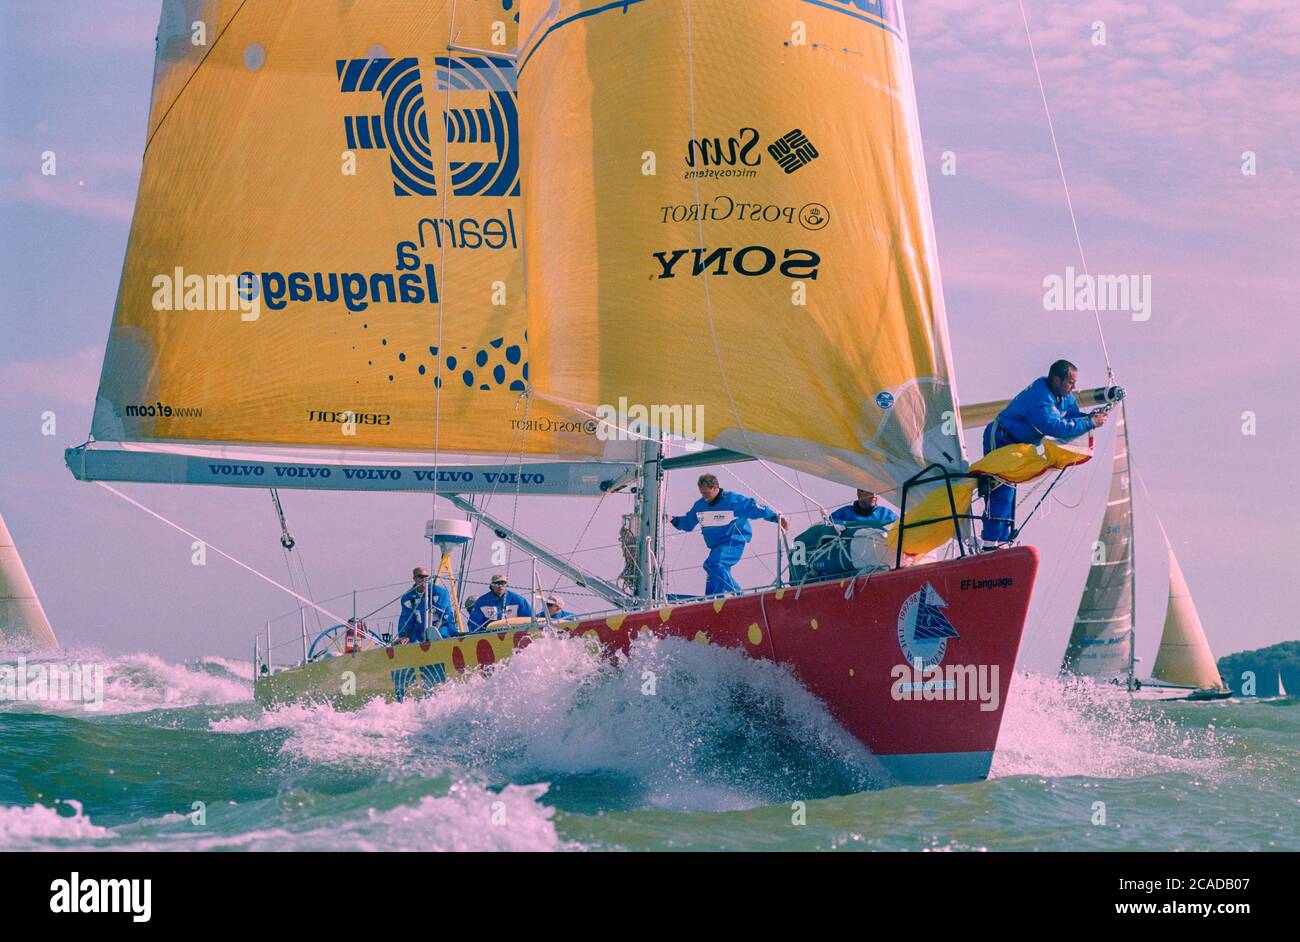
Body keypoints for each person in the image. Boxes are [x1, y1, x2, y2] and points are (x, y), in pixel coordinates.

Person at [981, 359, 1109, 545]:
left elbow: (1073, 417)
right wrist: (1090, 422)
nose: (1074, 387)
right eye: (1070, 382)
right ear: (1057, 380)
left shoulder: (1064, 396)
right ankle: (990, 543)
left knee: (1009, 490)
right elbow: (1055, 427)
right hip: (1001, 437)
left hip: (1018, 445)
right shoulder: (1040, 398)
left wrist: (1091, 417)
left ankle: (1000, 542)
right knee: (1001, 488)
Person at [670, 473, 787, 596]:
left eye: (706, 493)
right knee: (714, 577)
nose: (704, 497)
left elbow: (754, 508)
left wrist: (776, 518)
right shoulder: (700, 505)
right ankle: (712, 602)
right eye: (702, 493)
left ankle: (739, 594)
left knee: (713, 564)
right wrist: (673, 519)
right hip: (716, 546)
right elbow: (688, 523)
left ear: (716, 488)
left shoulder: (732, 500)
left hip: (733, 542)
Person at [397, 566, 455, 642]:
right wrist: (405, 637)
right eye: (421, 576)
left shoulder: (439, 593)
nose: (424, 579)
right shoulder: (407, 598)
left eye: (426, 577)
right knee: (408, 639)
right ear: (414, 578)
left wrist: (431, 631)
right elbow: (406, 620)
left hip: (442, 628)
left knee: (443, 631)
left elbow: (445, 616)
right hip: (420, 633)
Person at [467, 574, 533, 630]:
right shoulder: (481, 602)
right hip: (490, 636)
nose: (500, 586)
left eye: (503, 583)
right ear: (492, 585)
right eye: (497, 583)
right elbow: (474, 625)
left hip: (514, 633)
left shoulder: (518, 600)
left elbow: (530, 618)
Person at [830, 489, 899, 528]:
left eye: (877, 492)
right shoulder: (842, 514)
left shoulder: (886, 515)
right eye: (870, 492)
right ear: (859, 493)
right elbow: (828, 525)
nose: (874, 496)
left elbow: (900, 526)